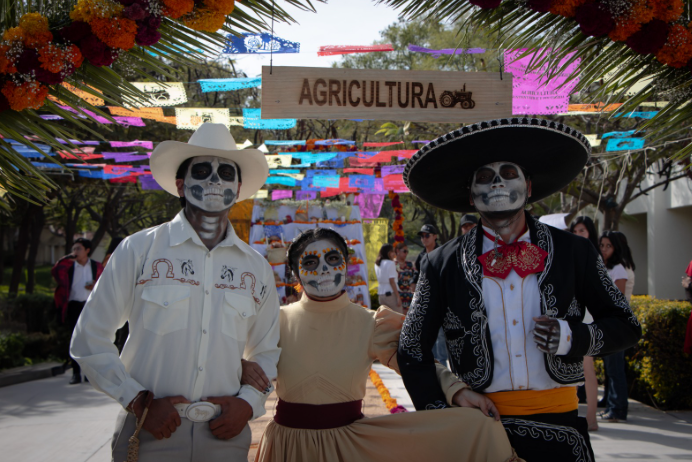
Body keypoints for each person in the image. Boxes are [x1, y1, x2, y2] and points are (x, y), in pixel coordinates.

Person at [398, 117, 642, 461]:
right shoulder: (441, 263)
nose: (497, 183)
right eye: (485, 177)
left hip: (561, 432)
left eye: (508, 173)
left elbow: (626, 325)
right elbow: (411, 347)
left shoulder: (574, 251)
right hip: (479, 430)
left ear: (528, 186)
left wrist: (572, 337)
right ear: (470, 194)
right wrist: (446, 402)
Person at [70, 123, 281, 462]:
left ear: (238, 188)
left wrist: (248, 403)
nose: (215, 181)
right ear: (181, 185)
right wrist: (137, 400)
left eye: (226, 174)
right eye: (202, 171)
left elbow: (267, 352)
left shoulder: (256, 268)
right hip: (149, 430)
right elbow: (89, 338)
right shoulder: (139, 250)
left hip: (225, 434)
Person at [242, 228, 522, 462]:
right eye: (311, 262)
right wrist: (241, 367)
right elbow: (243, 364)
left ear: (346, 264)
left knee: (479, 426)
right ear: (295, 273)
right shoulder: (274, 321)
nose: (324, 269)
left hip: (347, 448)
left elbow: (418, 362)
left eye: (333, 258)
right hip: (286, 445)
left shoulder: (371, 323)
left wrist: (457, 391)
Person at [51, 237, 104, 384]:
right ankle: (76, 373)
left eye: (79, 248)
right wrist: (66, 259)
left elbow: (104, 283)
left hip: (90, 306)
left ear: (87, 250)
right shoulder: (68, 267)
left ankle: (88, 373)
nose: (75, 251)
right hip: (73, 305)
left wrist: (95, 285)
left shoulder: (96, 266)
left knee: (89, 339)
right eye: (74, 248)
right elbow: (55, 272)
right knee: (75, 340)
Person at [569, 216, 600, 431]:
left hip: (587, 316)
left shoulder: (593, 254)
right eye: (575, 230)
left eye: (582, 230)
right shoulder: (569, 252)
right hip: (572, 314)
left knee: (587, 368)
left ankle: (591, 418)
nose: (578, 234)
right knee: (573, 368)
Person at [597, 230, 631, 423]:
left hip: (616, 325)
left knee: (616, 369)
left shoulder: (618, 269)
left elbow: (618, 299)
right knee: (610, 369)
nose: (604, 249)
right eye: (602, 245)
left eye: (608, 246)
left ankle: (618, 409)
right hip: (605, 323)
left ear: (615, 248)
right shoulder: (604, 267)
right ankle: (611, 406)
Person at [414, 224, 448, 366]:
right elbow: (417, 276)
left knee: (441, 335)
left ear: (435, 236)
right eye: (422, 236)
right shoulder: (420, 256)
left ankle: (442, 365)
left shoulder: (443, 253)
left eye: (427, 235)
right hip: (424, 301)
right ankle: (431, 365)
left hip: (440, 300)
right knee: (427, 334)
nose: (424, 238)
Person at [375, 243, 403, 313]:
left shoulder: (377, 264)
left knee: (386, 318)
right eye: (392, 251)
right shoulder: (390, 263)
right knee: (399, 317)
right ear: (388, 253)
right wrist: (398, 297)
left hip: (381, 294)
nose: (394, 253)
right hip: (390, 294)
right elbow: (391, 281)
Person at [394, 242, 415, 313]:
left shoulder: (409, 264)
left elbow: (414, 276)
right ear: (397, 251)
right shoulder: (393, 264)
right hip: (398, 295)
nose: (406, 254)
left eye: (407, 252)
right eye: (404, 251)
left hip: (409, 295)